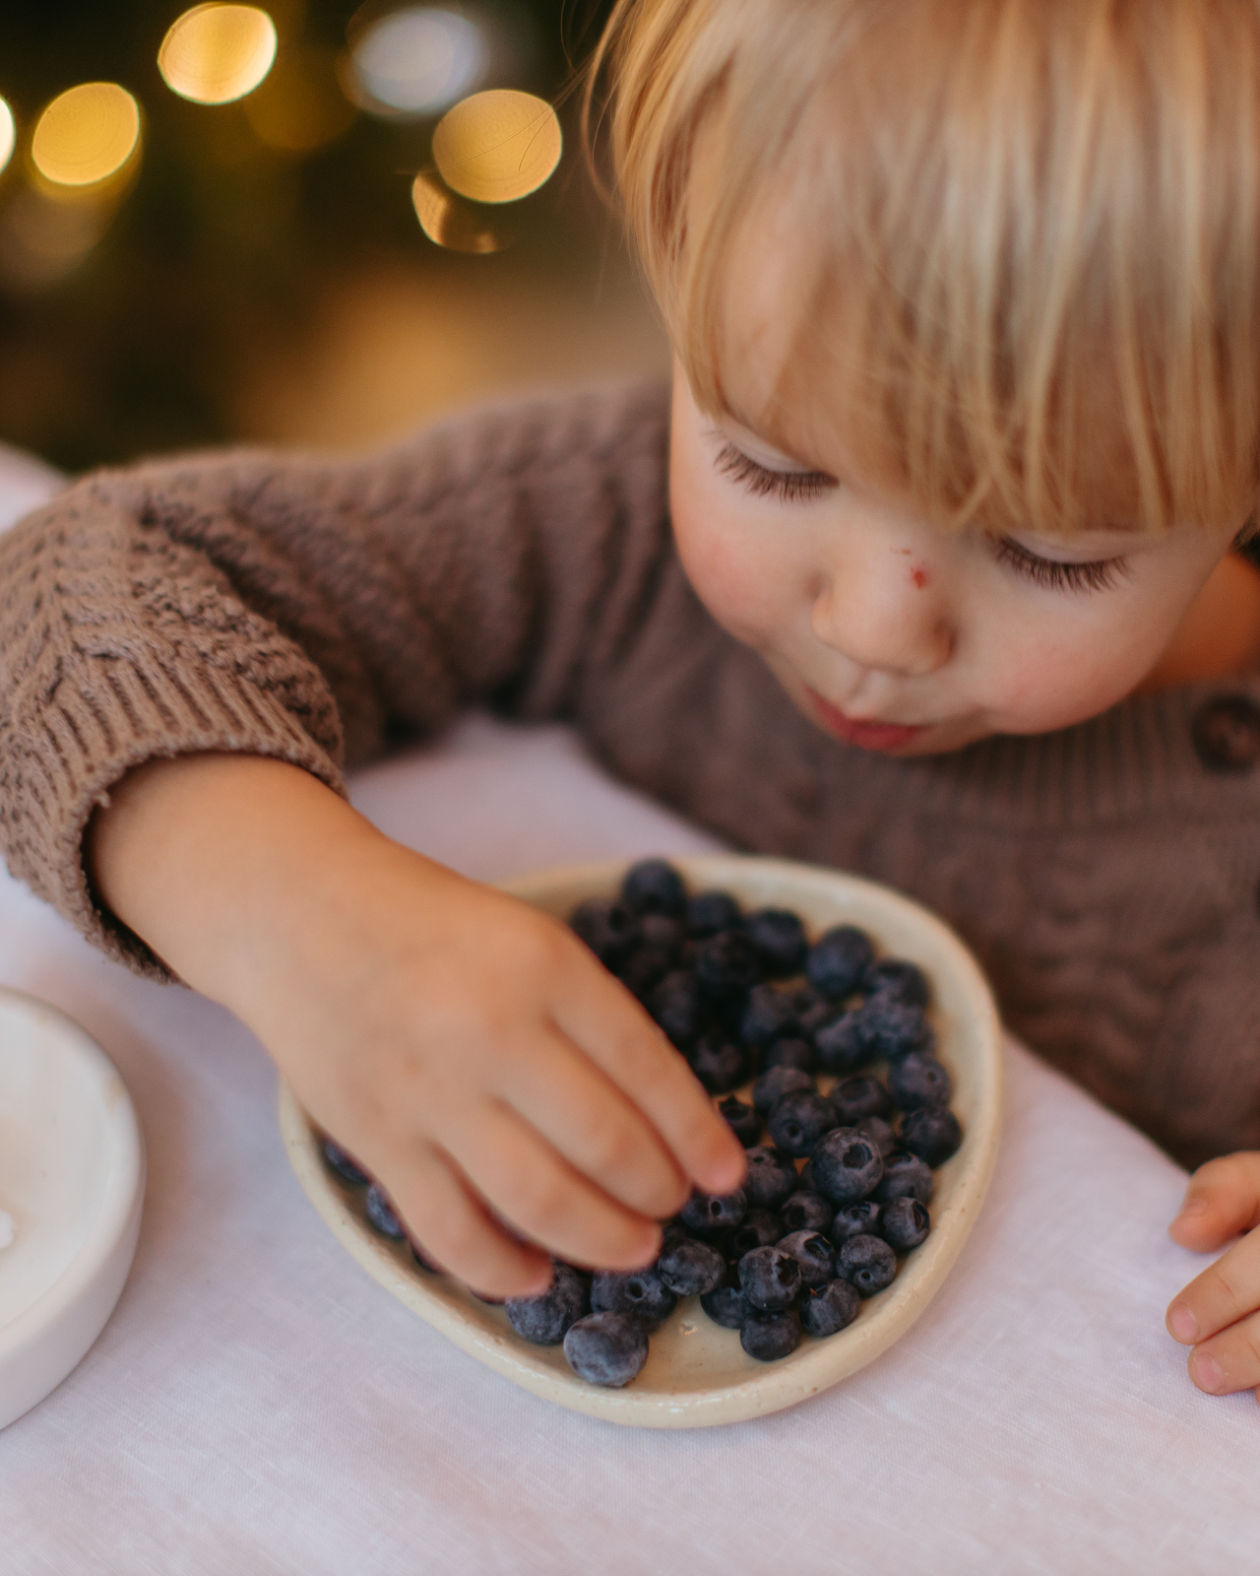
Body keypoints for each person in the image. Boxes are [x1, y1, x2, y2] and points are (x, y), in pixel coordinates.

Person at [2, 0, 1260, 1399]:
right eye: (776, 467)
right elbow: (62, 590)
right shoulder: (593, 527)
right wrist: (299, 915)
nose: (873, 630)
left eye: (1049, 553)